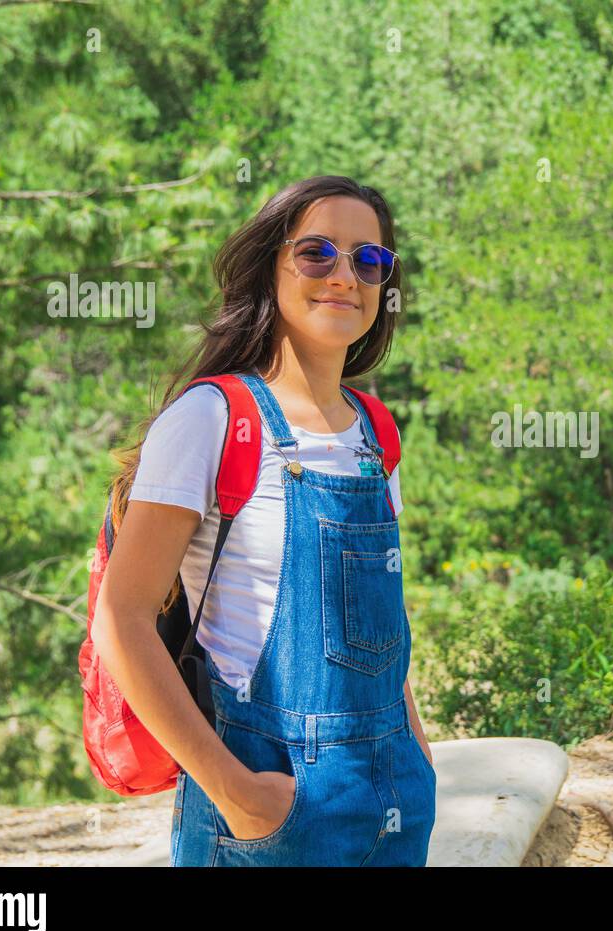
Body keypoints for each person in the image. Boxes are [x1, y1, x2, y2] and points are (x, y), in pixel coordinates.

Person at [90, 175, 436, 866]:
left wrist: (418, 758)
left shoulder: (376, 433)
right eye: (317, 253)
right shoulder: (211, 419)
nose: (345, 275)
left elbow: (379, 622)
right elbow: (120, 619)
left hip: (394, 796)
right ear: (268, 269)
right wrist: (239, 793)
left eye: (369, 261)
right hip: (269, 804)